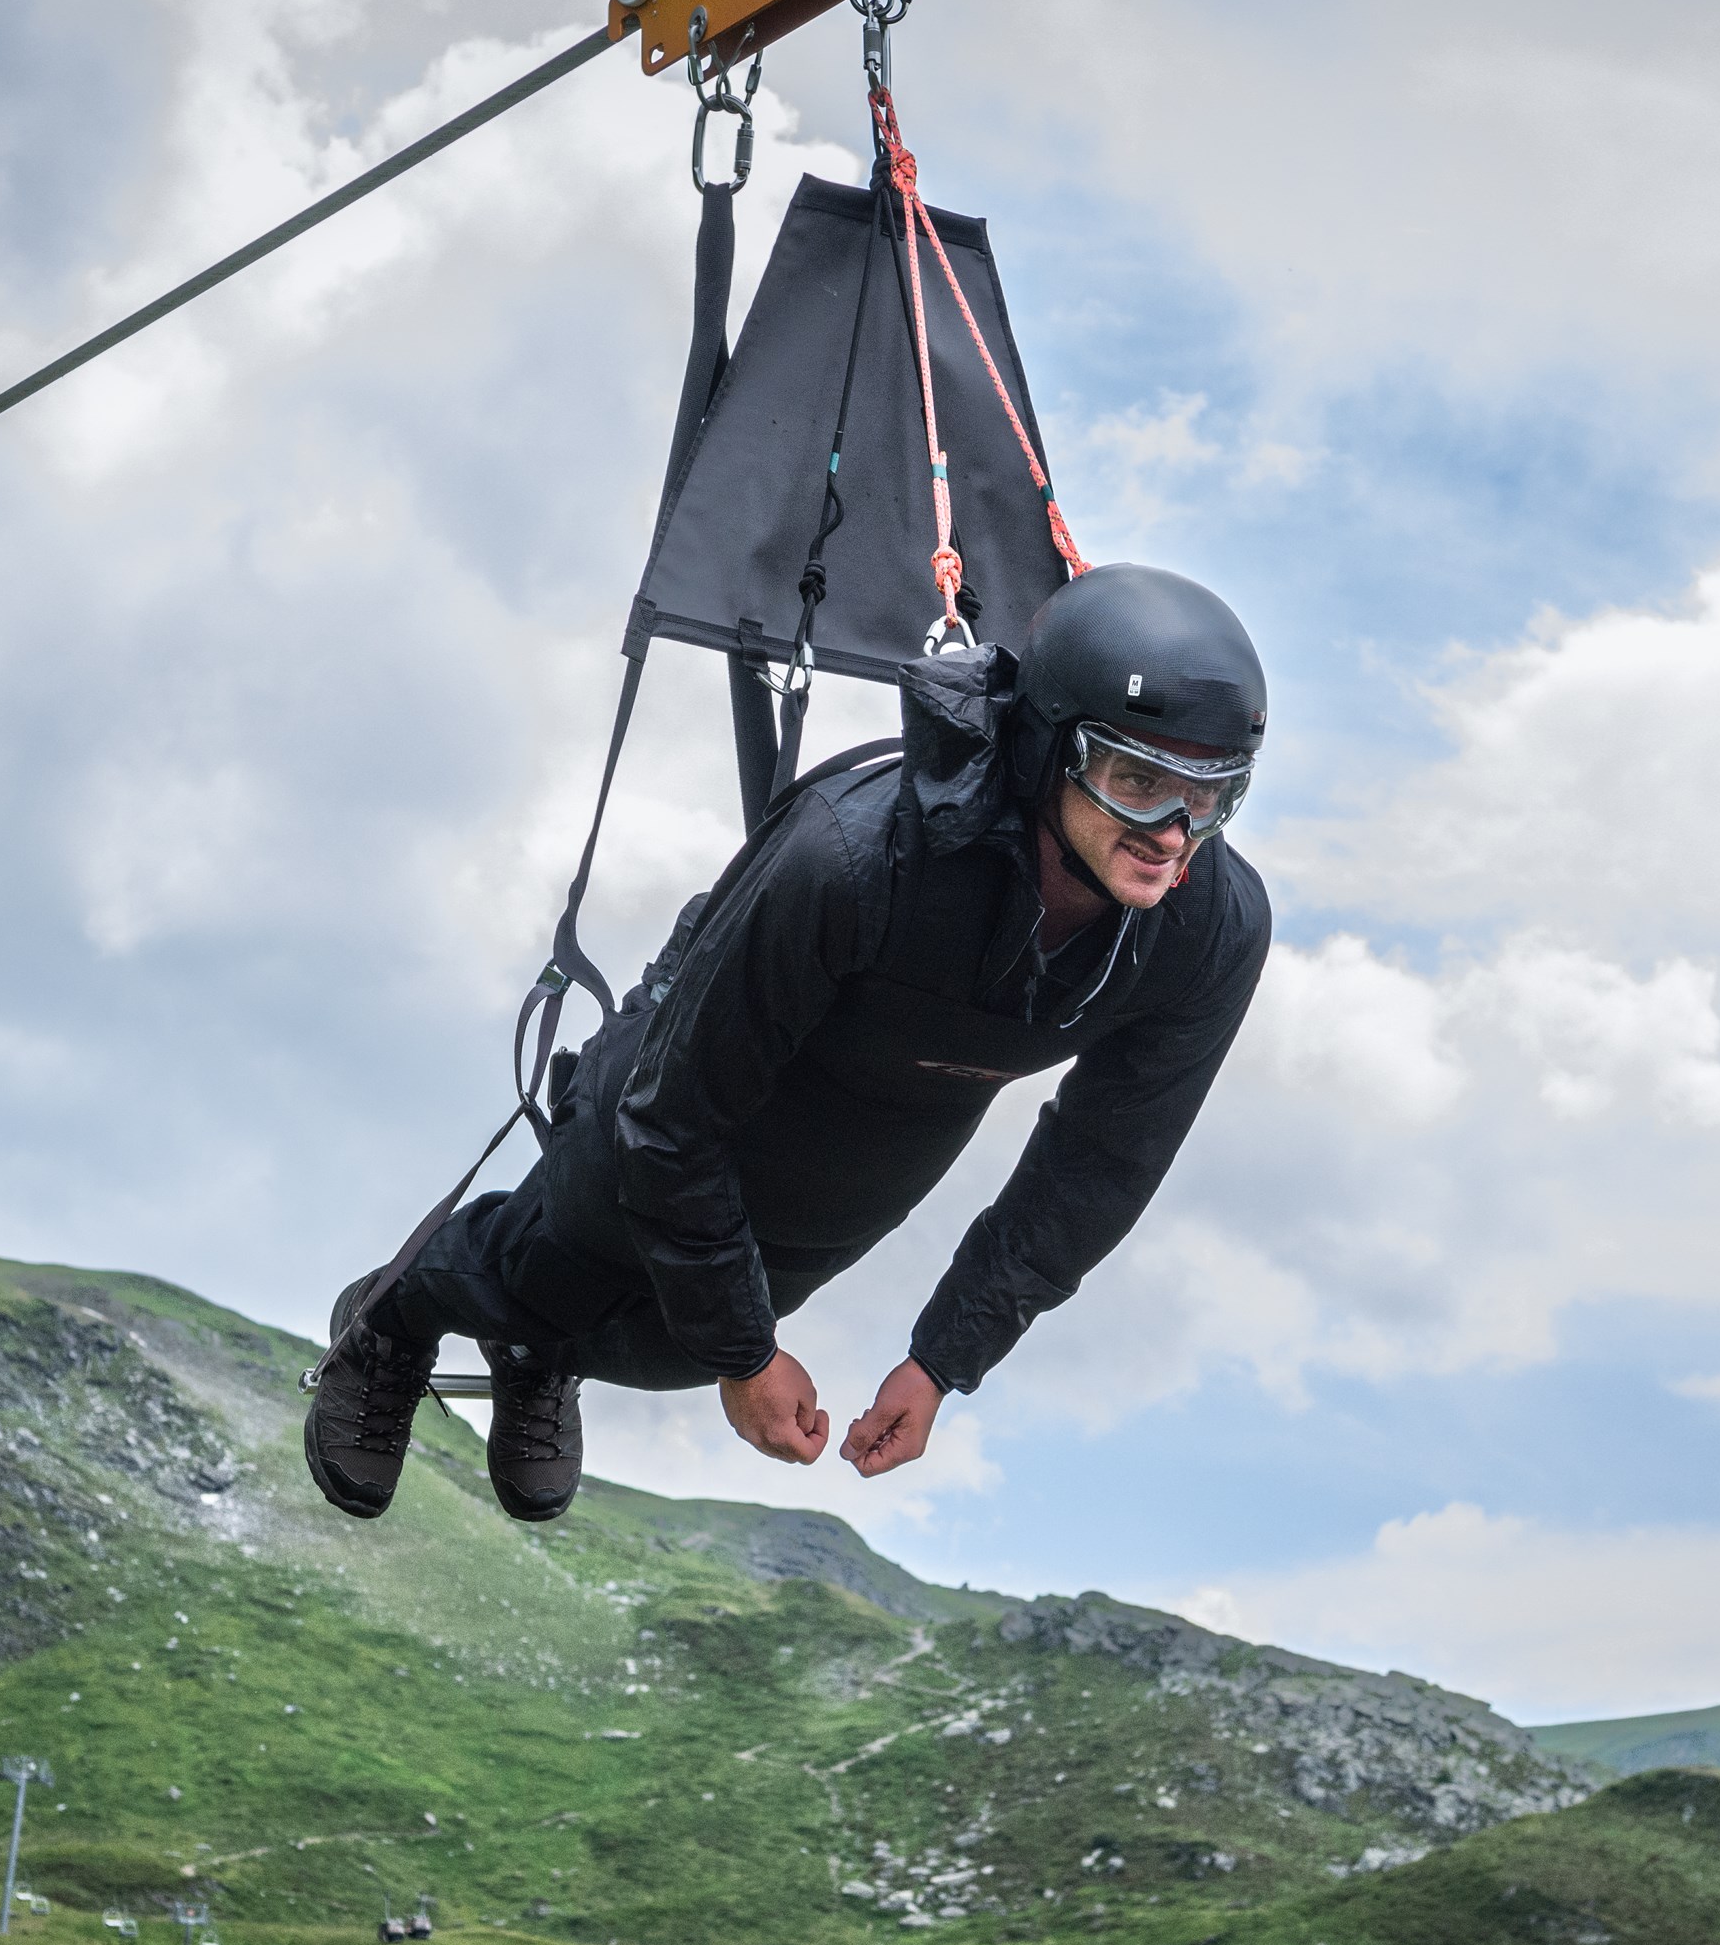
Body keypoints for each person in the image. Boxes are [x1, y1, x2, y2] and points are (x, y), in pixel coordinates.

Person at [302, 562, 1272, 1524]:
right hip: (686, 1079)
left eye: (1210, 795)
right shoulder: (850, 859)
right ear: (1045, 749)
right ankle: (393, 1315)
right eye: (1135, 780)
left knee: (677, 1351)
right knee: (583, 1258)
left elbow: (1098, 1168)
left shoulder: (1212, 932)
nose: (1172, 834)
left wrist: (944, 1359)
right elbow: (670, 1122)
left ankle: (535, 1351)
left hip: (872, 1158)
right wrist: (746, 1355)